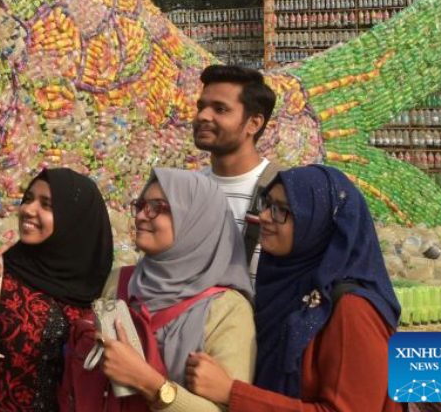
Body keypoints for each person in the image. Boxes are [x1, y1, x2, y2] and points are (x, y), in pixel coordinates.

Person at [185, 165, 402, 411]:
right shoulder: (284, 289)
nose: (265, 216)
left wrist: (231, 393)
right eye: (267, 204)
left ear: (319, 225)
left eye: (282, 211)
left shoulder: (351, 310)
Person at [0, 168, 113, 412]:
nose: (28, 209)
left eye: (46, 205)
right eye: (28, 199)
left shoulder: (97, 294)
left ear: (75, 219)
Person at [94, 168, 256, 411]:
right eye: (140, 205)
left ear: (196, 221)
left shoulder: (227, 310)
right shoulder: (120, 281)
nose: (140, 216)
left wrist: (148, 383)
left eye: (157, 207)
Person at [194, 65, 278, 284]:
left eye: (220, 109)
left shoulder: (280, 195)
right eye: (201, 106)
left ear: (253, 123)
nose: (203, 116)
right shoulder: (190, 190)